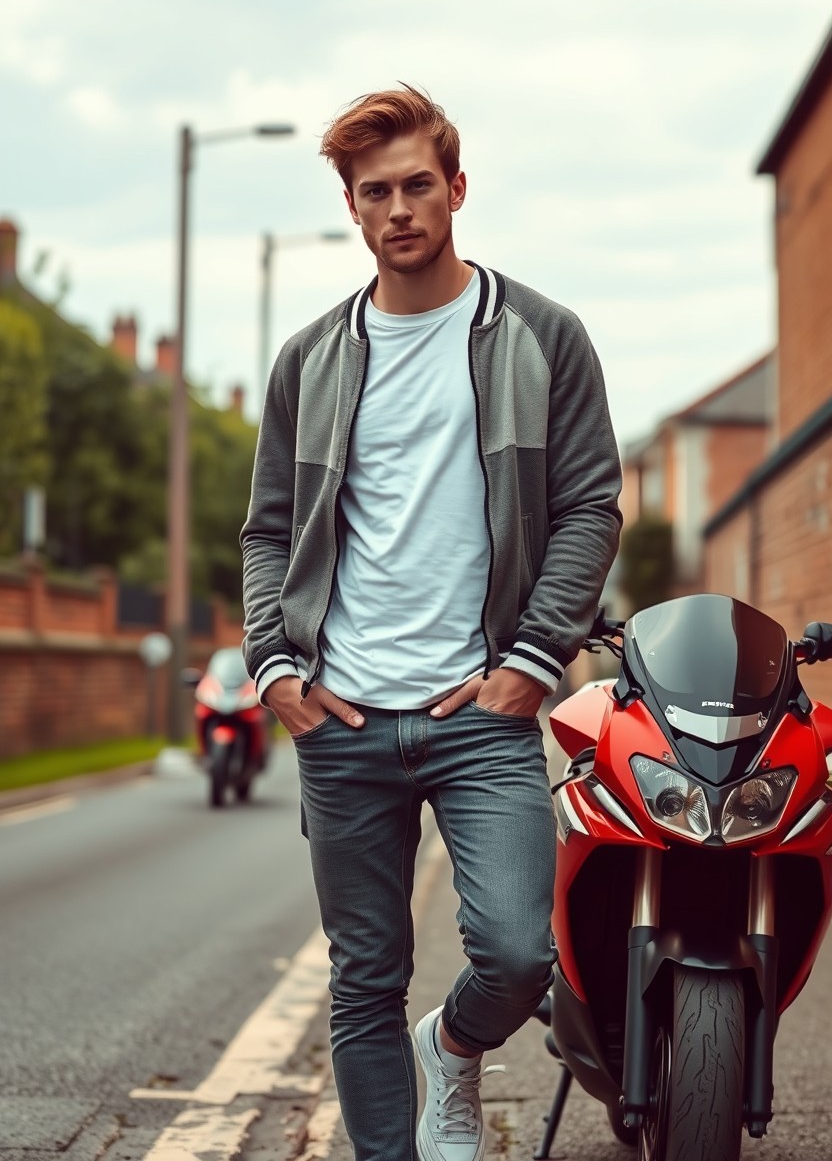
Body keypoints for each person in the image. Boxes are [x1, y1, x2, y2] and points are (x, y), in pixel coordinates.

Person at [241, 84, 622, 1161]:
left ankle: (450, 1049)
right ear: (353, 212)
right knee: (363, 976)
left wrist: (531, 661)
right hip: (345, 717)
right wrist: (273, 665)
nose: (400, 207)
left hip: (480, 709)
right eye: (376, 193)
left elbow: (591, 504)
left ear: (456, 189)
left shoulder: (541, 336)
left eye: (418, 185)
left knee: (514, 952)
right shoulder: (310, 361)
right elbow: (269, 527)